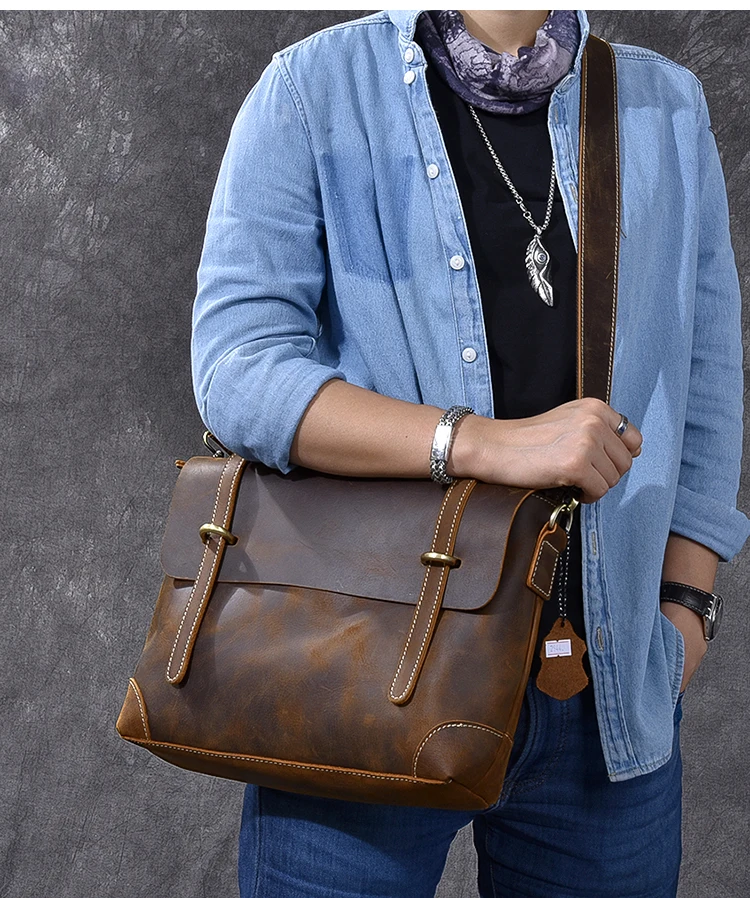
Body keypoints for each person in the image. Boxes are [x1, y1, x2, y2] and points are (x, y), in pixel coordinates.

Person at [190, 9, 750, 897]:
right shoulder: (311, 90)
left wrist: (686, 607)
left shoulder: (666, 104)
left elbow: (706, 371)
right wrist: (482, 443)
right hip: (363, 671)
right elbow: (237, 372)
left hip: (602, 691)